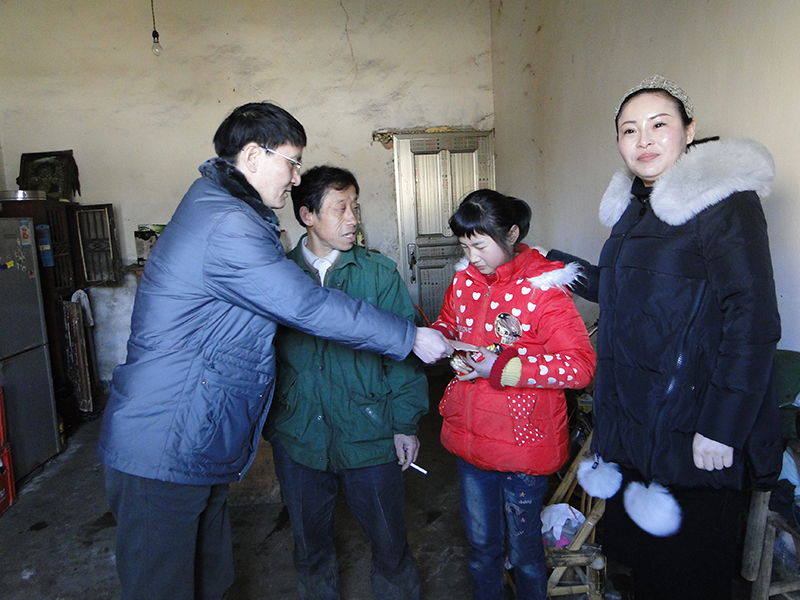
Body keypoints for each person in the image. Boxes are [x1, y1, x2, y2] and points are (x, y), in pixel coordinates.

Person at [95, 103, 452, 600]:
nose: (296, 177)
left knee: (208, 578)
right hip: (165, 438)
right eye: (292, 161)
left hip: (191, 437)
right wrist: (410, 336)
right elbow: (304, 305)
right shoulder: (227, 223)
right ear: (253, 156)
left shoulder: (225, 211)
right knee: (167, 586)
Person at [547, 75, 782, 600]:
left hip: (694, 431)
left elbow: (753, 319)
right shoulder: (635, 207)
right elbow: (630, 290)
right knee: (646, 573)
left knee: (689, 577)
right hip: (636, 425)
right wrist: (556, 266)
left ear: (689, 130)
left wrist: (721, 426)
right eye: (629, 130)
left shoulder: (725, 203)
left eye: (659, 124)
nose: (644, 140)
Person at [265, 165, 428, 600]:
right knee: (309, 548)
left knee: (390, 544)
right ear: (307, 216)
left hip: (369, 432)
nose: (353, 218)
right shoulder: (277, 277)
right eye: (341, 208)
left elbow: (403, 354)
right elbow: (261, 355)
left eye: (355, 207)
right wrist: (274, 426)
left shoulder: (378, 274)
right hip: (299, 435)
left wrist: (404, 423)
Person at [430, 190, 596, 600]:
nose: (472, 258)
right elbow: (449, 322)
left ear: (512, 234)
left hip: (523, 447)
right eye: (464, 247)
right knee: (482, 550)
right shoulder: (465, 281)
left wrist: (504, 368)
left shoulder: (543, 288)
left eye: (480, 246)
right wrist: (442, 340)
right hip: (472, 441)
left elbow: (579, 366)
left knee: (525, 555)